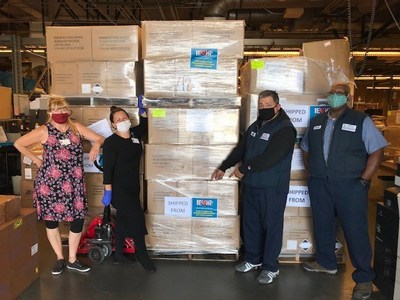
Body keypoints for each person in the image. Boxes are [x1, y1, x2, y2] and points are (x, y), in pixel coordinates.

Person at [300, 82, 387, 300]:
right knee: (322, 224)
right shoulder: (317, 121)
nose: (334, 97)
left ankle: (364, 277)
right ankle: (326, 262)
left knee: (355, 230)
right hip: (320, 183)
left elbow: (377, 151)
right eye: (332, 93)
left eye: (339, 94)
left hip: (350, 185)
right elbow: (307, 150)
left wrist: (364, 180)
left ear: (347, 98)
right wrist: (313, 174)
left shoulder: (360, 120)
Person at [211, 90, 296, 284]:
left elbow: (271, 158)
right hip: (252, 185)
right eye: (261, 105)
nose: (264, 108)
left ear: (278, 106)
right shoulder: (255, 126)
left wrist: (244, 169)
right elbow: (241, 149)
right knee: (251, 224)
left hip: (272, 187)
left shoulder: (284, 128)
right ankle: (252, 259)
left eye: (268, 105)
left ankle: (270, 267)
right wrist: (224, 166)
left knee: (271, 227)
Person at [14, 95, 104, 275]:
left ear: (68, 111)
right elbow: (19, 143)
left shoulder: (75, 127)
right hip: (50, 183)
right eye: (57, 109)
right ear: (50, 112)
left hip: (74, 183)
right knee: (52, 221)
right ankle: (59, 258)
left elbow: (99, 138)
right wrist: (36, 160)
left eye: (64, 109)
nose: (61, 113)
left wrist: (95, 146)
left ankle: (72, 259)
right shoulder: (43, 130)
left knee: (78, 220)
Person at [100, 98, 156, 272]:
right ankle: (142, 254)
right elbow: (107, 169)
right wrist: (107, 192)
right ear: (113, 125)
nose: (123, 120)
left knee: (123, 220)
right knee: (137, 217)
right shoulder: (110, 142)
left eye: (124, 117)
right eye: (118, 119)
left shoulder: (134, 135)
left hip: (133, 188)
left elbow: (145, 125)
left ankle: (119, 256)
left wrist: (142, 111)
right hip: (118, 190)